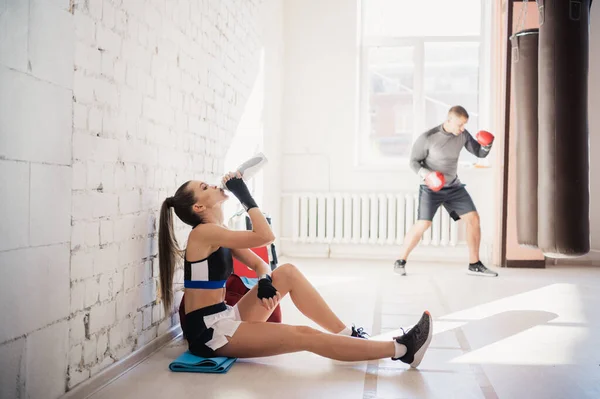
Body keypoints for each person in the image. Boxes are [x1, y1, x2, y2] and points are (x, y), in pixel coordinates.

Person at [158, 171, 433, 367]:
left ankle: (346, 334)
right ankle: (402, 349)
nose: (213, 185)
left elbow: (259, 262)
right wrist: (245, 196)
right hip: (209, 332)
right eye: (205, 187)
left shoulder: (218, 231)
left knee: (286, 272)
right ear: (199, 206)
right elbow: (266, 236)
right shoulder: (203, 234)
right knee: (304, 336)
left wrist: (265, 280)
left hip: (225, 315)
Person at [393, 106, 498, 277]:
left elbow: (479, 153)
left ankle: (475, 264)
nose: (463, 128)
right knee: (423, 224)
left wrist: (488, 145)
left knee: (473, 219)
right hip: (431, 188)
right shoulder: (428, 138)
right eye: (460, 124)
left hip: (453, 187)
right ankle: (400, 260)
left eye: (464, 125)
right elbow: (413, 162)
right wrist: (428, 175)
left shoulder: (462, 135)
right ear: (449, 120)